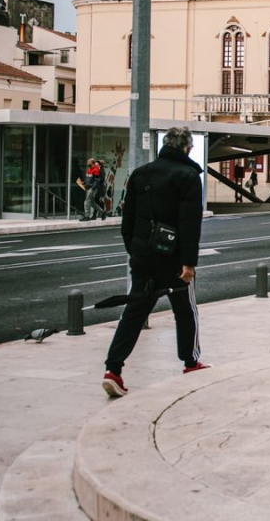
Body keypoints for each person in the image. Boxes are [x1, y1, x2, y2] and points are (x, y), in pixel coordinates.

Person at [102, 127, 207, 397]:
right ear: (187, 148)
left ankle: (113, 369)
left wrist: (134, 250)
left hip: (142, 256)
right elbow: (189, 224)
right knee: (185, 310)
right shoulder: (188, 176)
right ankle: (191, 362)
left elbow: (128, 220)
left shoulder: (141, 173)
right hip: (172, 258)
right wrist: (188, 263)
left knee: (134, 312)